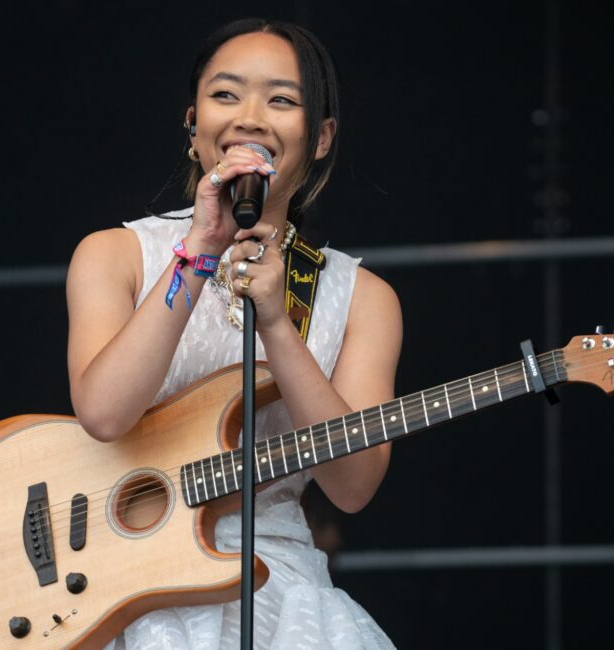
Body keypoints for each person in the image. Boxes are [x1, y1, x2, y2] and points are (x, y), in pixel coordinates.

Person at [66, 17, 401, 649]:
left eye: (282, 100)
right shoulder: (115, 255)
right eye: (226, 94)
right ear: (193, 123)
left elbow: (353, 487)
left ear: (321, 137)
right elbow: (104, 412)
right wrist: (200, 248)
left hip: (273, 585)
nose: (250, 118)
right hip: (124, 576)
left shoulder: (363, 298)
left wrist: (276, 322)